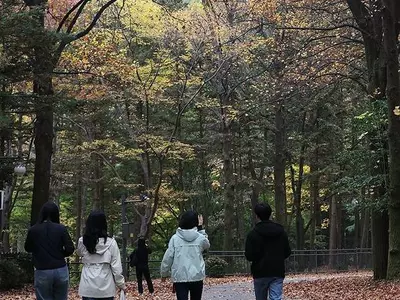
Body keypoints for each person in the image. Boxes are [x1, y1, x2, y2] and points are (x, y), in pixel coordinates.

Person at [24, 201, 75, 300]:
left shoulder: (34, 230)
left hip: (42, 269)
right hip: (60, 268)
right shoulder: (61, 229)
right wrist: (61, 254)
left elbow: (28, 248)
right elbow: (70, 248)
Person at [245, 203, 291, 300]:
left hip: (260, 272)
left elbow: (249, 256)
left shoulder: (252, 234)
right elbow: (287, 252)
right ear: (270, 214)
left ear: (257, 216)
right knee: (276, 298)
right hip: (277, 271)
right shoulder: (281, 232)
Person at [160, 211, 210, 300]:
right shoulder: (200, 238)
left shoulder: (175, 238)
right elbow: (207, 245)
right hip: (197, 276)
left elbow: (168, 257)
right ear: (195, 222)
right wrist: (200, 228)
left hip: (180, 277)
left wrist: (164, 273)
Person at [77, 210, 126, 300]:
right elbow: (116, 267)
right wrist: (121, 284)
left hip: (88, 287)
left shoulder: (82, 241)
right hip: (106, 287)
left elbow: (79, 253)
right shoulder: (111, 243)